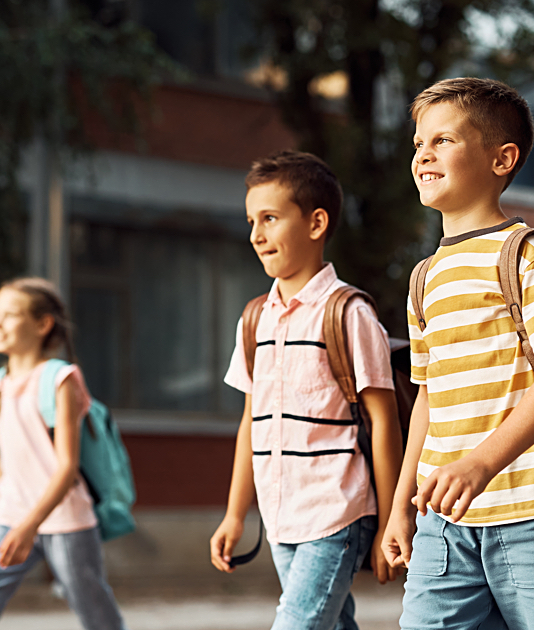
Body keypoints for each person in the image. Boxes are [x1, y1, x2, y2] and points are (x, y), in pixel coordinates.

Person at [381, 77, 534, 629]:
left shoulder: (527, 254)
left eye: (444, 141)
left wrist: (483, 461)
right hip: (443, 518)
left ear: (502, 158)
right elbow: (428, 402)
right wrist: (400, 505)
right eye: (418, 144)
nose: (424, 154)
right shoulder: (423, 277)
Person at [209, 150, 403, 630]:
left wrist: (388, 523)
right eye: (252, 220)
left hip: (337, 511)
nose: (256, 234)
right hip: (280, 516)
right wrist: (235, 515)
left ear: (316, 223)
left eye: (270, 218)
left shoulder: (348, 314)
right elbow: (249, 424)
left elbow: (385, 423)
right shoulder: (256, 318)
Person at [0, 278, 127, 630]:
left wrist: (30, 525)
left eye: (9, 315)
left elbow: (67, 467)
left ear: (43, 324)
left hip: (66, 521)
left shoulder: (59, 379)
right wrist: (8, 516)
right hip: (10, 521)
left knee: (97, 618)